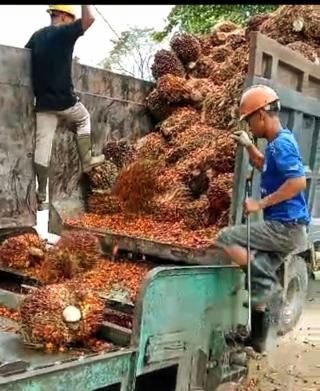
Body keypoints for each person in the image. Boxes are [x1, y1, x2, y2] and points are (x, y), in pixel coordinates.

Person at [214, 84, 310, 352]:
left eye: (249, 122)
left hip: (286, 227)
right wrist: (248, 147)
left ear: (261, 116)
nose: (250, 128)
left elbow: (298, 182)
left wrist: (260, 204)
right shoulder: (275, 145)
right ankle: (258, 342)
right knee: (258, 283)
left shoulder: (282, 145)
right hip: (287, 229)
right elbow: (264, 166)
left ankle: (270, 286)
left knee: (225, 238)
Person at [25, 5, 105, 208]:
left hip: (43, 104)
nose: (72, 21)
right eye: (71, 18)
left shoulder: (36, 37)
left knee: (42, 148)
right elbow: (90, 19)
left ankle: (41, 193)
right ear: (62, 16)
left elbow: (23, 58)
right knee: (83, 118)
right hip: (66, 102)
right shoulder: (65, 32)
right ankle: (87, 160)